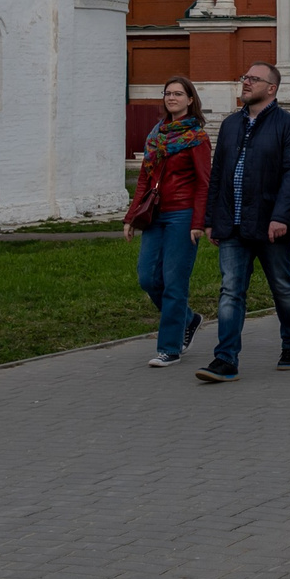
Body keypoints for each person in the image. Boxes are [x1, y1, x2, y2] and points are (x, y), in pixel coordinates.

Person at [196, 62, 290, 383]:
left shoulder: (288, 125)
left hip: (272, 224)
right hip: (231, 223)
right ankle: (225, 359)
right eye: (245, 77)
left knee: (282, 287)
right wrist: (210, 219)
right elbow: (217, 175)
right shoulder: (230, 125)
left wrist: (281, 216)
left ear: (271, 88)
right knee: (231, 290)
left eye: (253, 79)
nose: (245, 82)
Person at [125, 76, 212, 366]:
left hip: (183, 215)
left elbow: (204, 182)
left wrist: (198, 221)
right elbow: (143, 178)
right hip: (154, 215)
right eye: (167, 93)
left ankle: (169, 348)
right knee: (148, 278)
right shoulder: (156, 135)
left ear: (190, 100)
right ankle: (188, 319)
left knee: (175, 283)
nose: (171, 98)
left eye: (178, 93)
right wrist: (131, 216)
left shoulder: (197, 138)